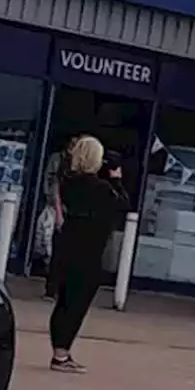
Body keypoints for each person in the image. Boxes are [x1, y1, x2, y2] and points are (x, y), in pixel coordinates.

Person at [48, 137, 129, 373]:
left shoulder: (68, 181)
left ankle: (59, 350)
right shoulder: (100, 187)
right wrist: (116, 180)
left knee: (64, 300)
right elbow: (122, 204)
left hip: (69, 243)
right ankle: (62, 354)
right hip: (89, 250)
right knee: (77, 303)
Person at [43, 136, 79, 301]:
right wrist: (57, 208)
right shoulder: (62, 162)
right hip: (59, 209)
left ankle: (58, 287)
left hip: (70, 212)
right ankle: (51, 288)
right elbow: (53, 183)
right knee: (52, 245)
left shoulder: (79, 167)